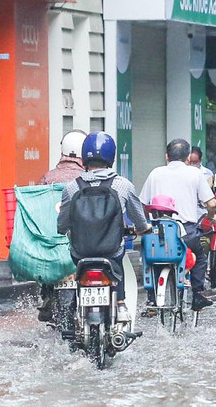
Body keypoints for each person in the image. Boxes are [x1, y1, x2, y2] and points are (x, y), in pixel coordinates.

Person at [57, 132, 149, 319]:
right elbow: (139, 219)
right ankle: (121, 304)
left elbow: (63, 223)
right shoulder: (123, 185)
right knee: (118, 259)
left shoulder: (72, 187)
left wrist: (62, 230)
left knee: (78, 273)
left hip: (80, 253)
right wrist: (144, 228)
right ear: (111, 157)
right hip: (111, 251)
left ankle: (76, 307)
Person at [139, 138, 216, 311]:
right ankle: (197, 294)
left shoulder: (155, 173)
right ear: (188, 157)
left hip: (158, 231)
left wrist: (148, 221)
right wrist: (210, 218)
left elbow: (143, 204)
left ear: (167, 156)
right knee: (200, 257)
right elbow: (211, 204)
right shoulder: (195, 174)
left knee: (151, 258)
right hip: (186, 232)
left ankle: (152, 298)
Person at [34, 130, 89, 322]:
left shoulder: (48, 177)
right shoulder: (88, 179)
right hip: (83, 244)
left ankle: (47, 294)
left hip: (53, 244)